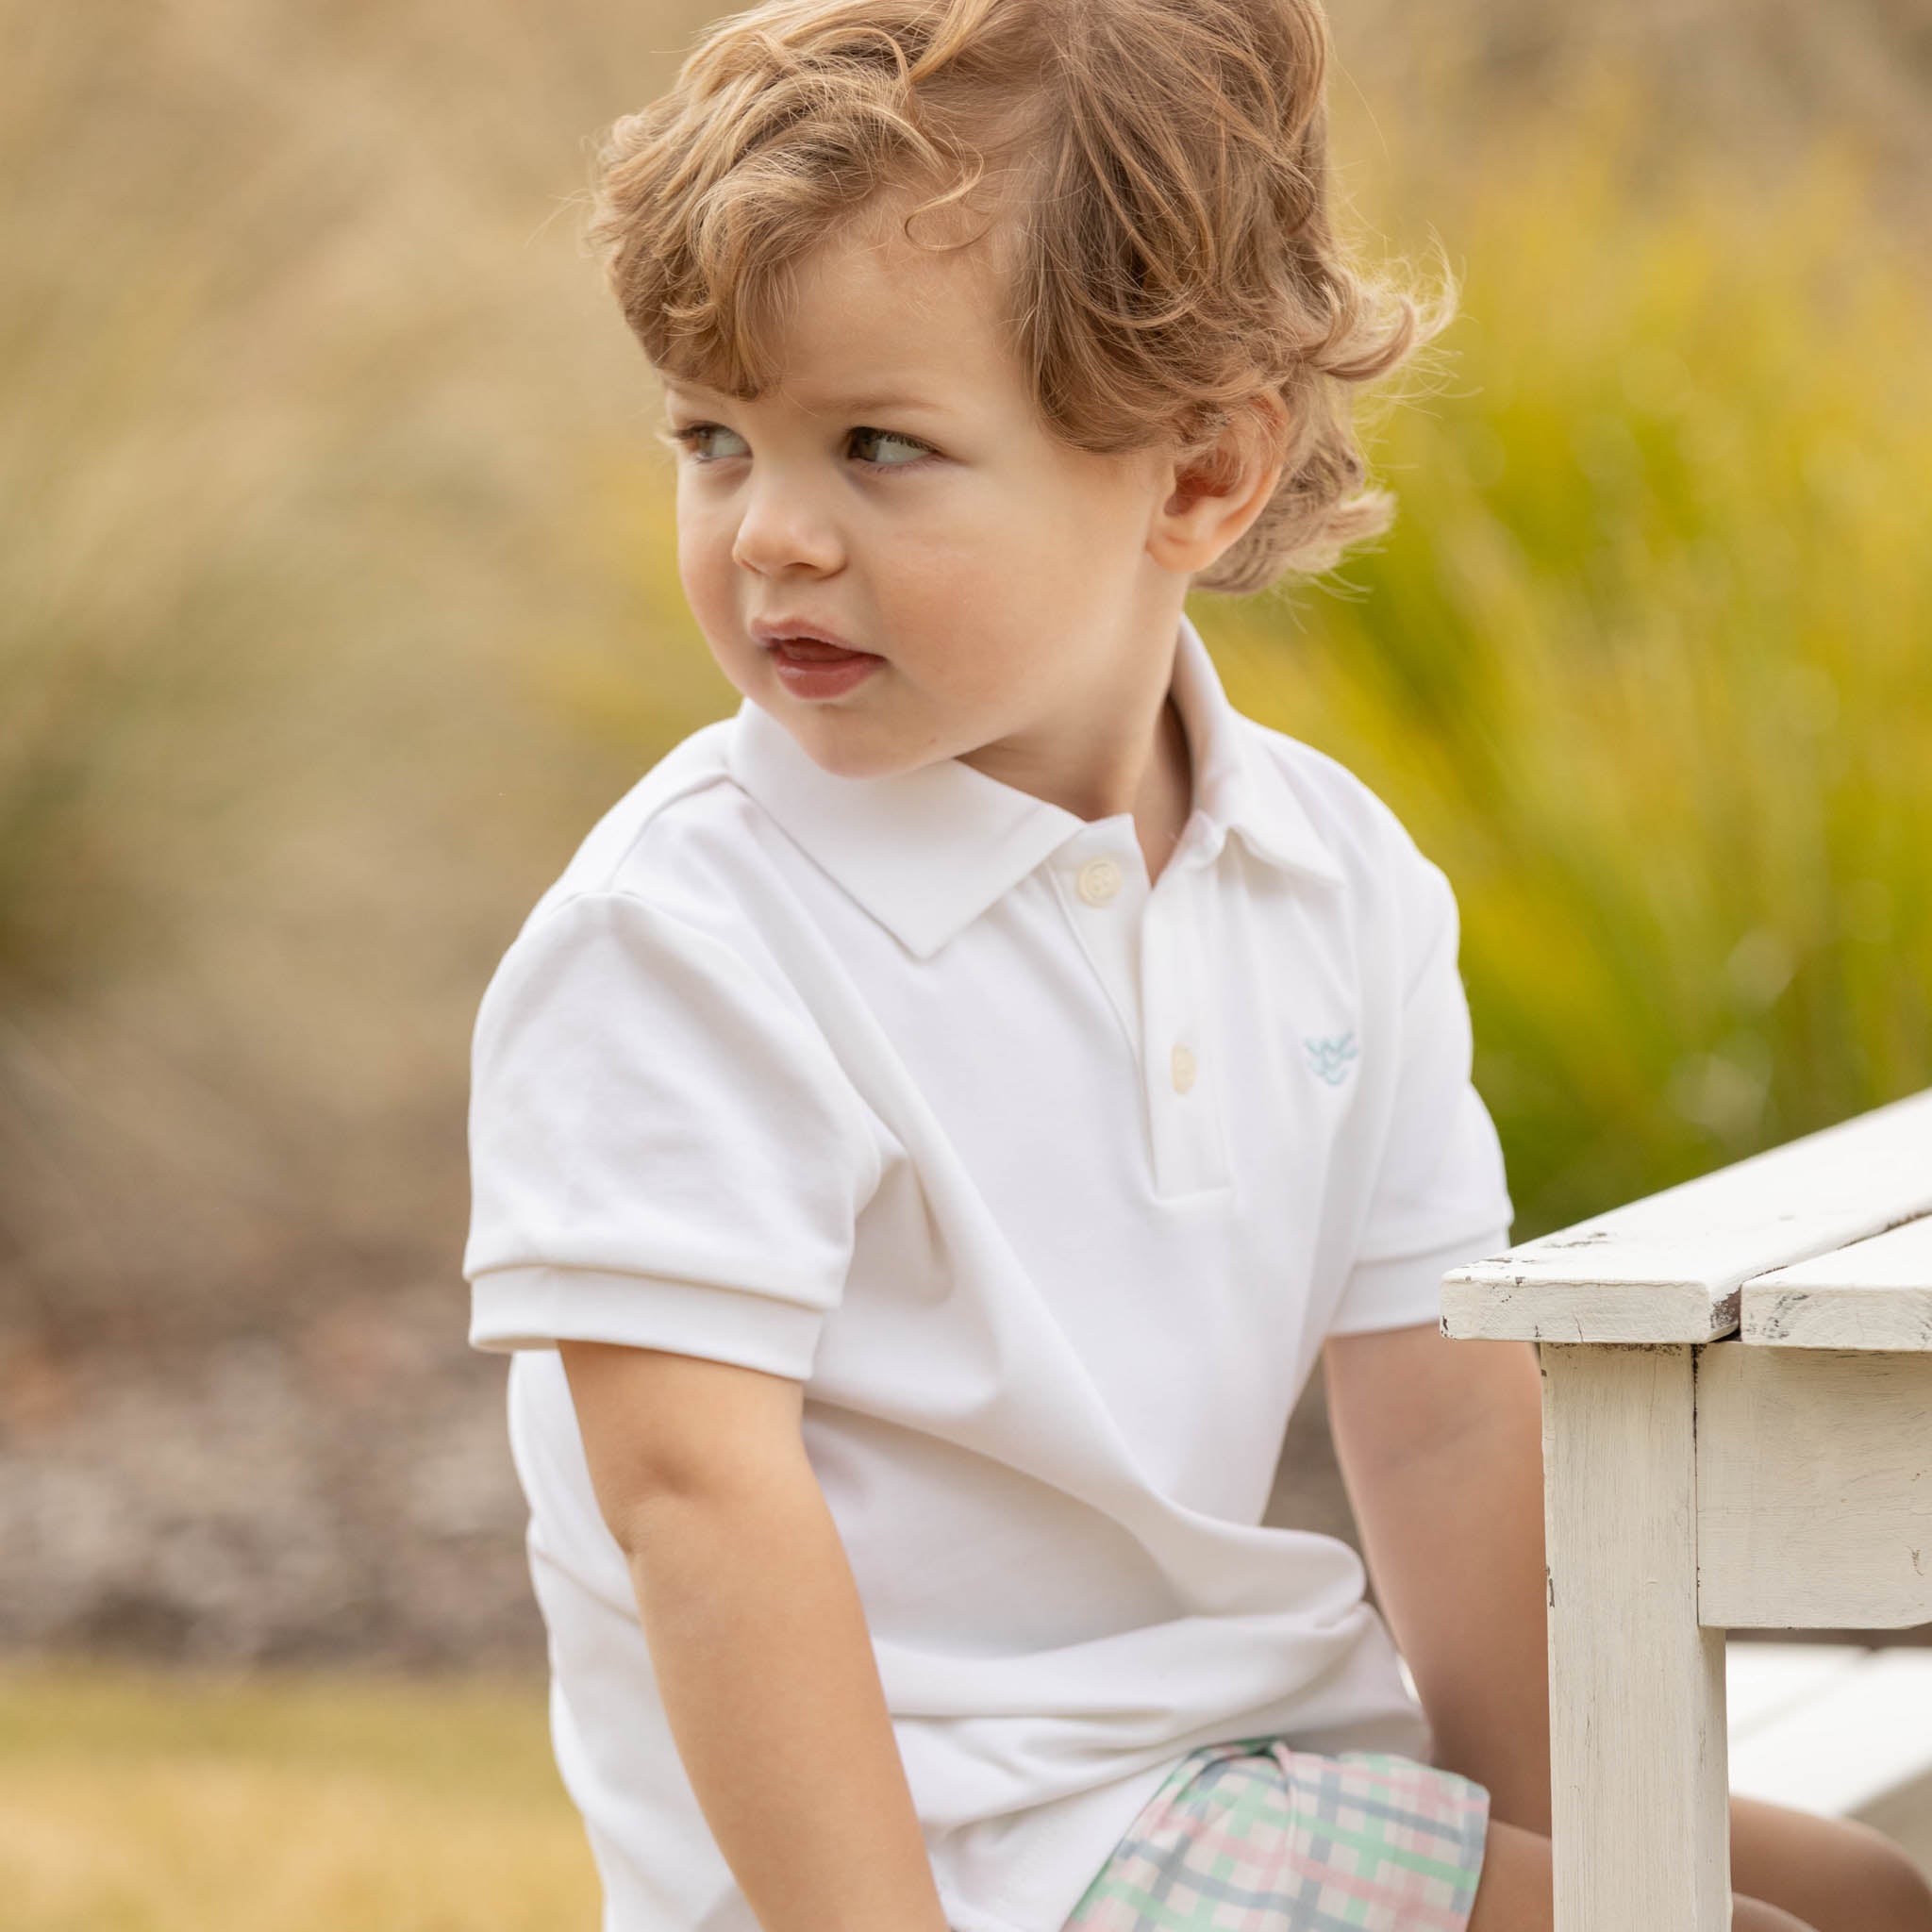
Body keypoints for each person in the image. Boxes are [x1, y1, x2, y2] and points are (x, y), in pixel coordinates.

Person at [461, 1, 1932, 1927]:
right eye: (716, 440)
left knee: (1877, 1895)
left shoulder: (1326, 876)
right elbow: (693, 1503)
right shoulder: (681, 942)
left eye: (878, 446)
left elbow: (1439, 1415)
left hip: (1249, 1768)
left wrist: (1603, 1833)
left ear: (1196, 478)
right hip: (981, 1855)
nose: (773, 536)